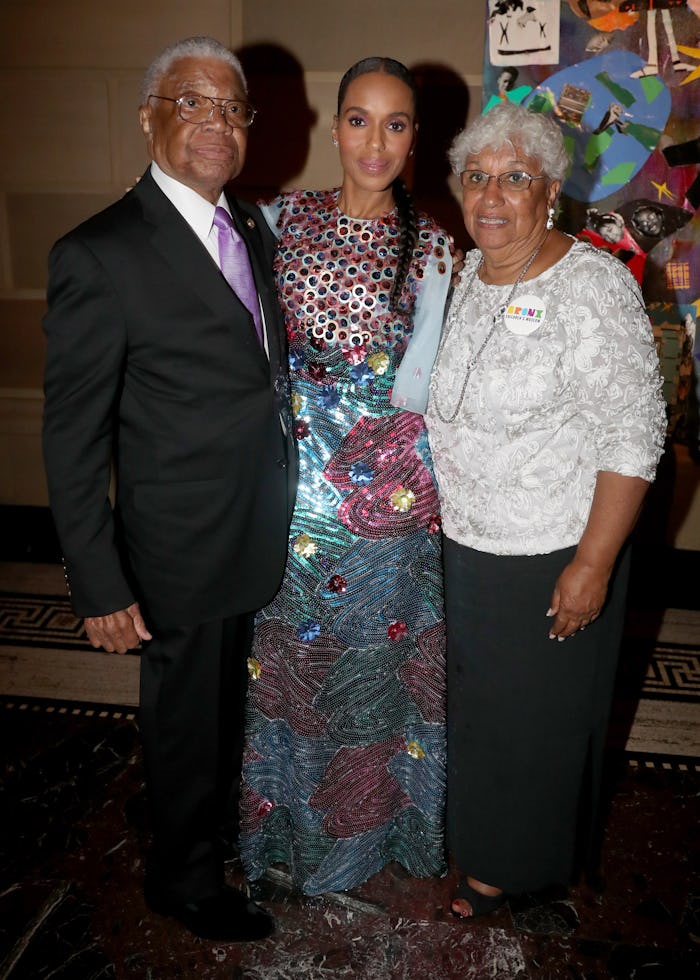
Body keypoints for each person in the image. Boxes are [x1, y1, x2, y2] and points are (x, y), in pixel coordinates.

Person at [41, 36, 295, 942]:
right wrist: (98, 581)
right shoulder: (99, 254)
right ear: (150, 115)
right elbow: (72, 435)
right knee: (186, 722)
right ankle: (183, 881)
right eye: (194, 102)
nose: (218, 122)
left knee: (219, 712)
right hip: (177, 545)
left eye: (233, 107)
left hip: (250, 527)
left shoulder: (249, 225)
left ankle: (200, 830)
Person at [425, 102, 667, 918]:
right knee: (482, 716)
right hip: (464, 547)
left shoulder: (589, 284)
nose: (493, 196)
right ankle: (484, 850)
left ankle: (513, 874)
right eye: (478, 177)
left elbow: (634, 434)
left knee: (536, 725)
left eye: (515, 178)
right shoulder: (460, 274)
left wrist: (593, 563)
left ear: (551, 191)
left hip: (551, 550)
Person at [238, 56, 453, 895]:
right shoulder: (275, 220)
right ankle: (286, 836)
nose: (375, 141)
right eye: (359, 119)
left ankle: (378, 841)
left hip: (389, 503)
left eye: (395, 124)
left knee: (378, 669)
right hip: (289, 493)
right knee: (290, 669)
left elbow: (425, 385)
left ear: (413, 139)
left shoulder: (434, 245)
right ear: (336, 127)